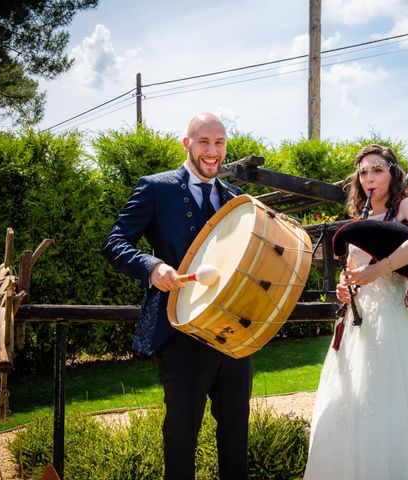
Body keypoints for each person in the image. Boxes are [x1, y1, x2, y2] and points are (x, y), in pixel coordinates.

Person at [102, 113, 252, 480]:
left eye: (219, 143)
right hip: (180, 332)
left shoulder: (238, 200)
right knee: (181, 435)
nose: (212, 151)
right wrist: (153, 268)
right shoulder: (155, 188)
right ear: (187, 144)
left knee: (236, 433)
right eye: (204, 142)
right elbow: (114, 242)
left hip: (232, 334)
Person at [303, 145, 408, 479]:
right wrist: (347, 285)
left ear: (392, 173)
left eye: (377, 170)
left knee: (385, 401)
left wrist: (380, 269)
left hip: (389, 320)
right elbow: (354, 269)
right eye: (364, 172)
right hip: (356, 322)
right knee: (347, 399)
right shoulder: (363, 218)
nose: (369, 178)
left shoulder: (406, 207)